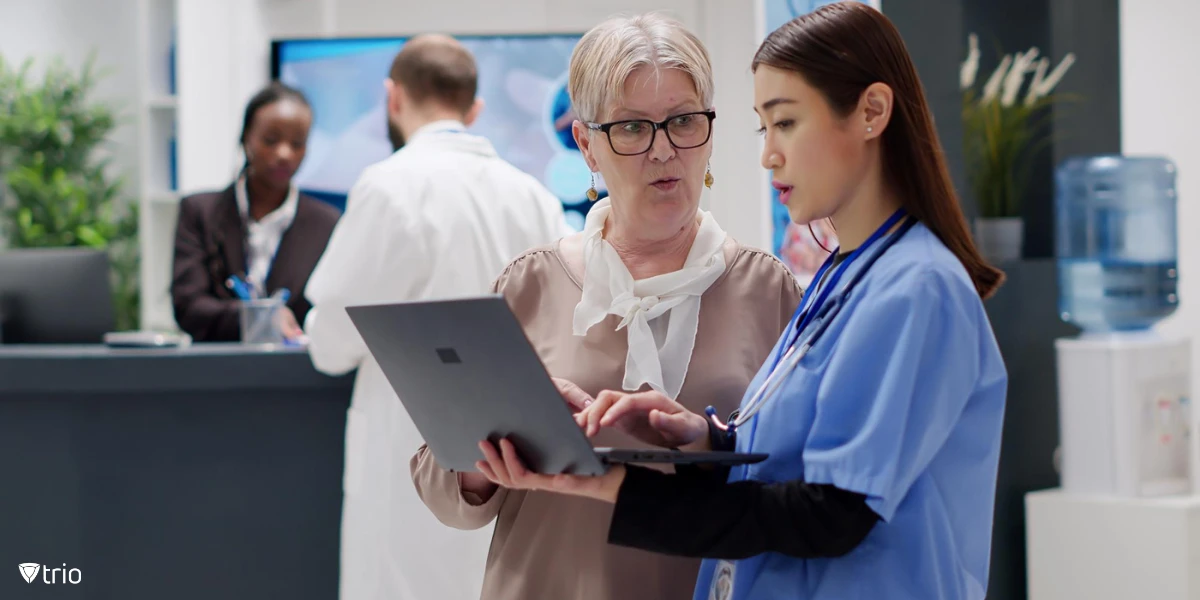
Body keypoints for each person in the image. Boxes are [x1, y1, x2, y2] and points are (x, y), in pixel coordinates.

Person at [472, 4, 1009, 600]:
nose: (768, 155)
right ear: (587, 144)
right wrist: (706, 440)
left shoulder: (909, 287)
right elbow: (796, 452)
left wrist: (612, 483)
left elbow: (830, 512)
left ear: (872, 113)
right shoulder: (846, 276)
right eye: (763, 128)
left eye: (786, 124)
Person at [410, 14, 805, 600]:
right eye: (632, 128)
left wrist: (705, 442)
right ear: (587, 143)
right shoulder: (533, 282)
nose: (663, 149)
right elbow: (441, 483)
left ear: (710, 132)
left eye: (683, 121)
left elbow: (800, 484)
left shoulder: (767, 290)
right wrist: (486, 459)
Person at [301, 34, 572, 600]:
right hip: (512, 458)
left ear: (391, 98)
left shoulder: (389, 185)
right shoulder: (533, 195)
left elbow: (330, 341)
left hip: (411, 452)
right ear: (474, 109)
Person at [172, 82, 340, 342]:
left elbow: (330, 312)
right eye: (271, 140)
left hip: (294, 375)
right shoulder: (200, 212)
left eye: (297, 143)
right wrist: (260, 317)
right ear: (246, 137)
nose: (285, 153)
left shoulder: (326, 223)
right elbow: (189, 308)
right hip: (214, 371)